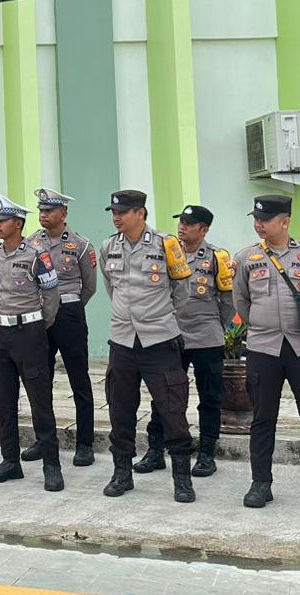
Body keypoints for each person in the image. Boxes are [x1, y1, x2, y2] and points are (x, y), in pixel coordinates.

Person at [232, 195, 300, 515]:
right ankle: (260, 483)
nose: (259, 224)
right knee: (262, 418)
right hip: (263, 349)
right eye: (256, 219)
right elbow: (241, 302)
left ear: (285, 222)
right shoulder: (246, 258)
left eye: (265, 219)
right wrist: (260, 326)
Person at [98, 190, 197, 502]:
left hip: (159, 341)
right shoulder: (108, 247)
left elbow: (182, 291)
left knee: (172, 410)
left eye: (122, 212)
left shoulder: (166, 244)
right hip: (123, 341)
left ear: (140, 213)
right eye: (113, 212)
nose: (116, 217)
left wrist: (159, 317)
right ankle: (122, 474)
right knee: (120, 409)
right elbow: (111, 288)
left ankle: (182, 479)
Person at [135, 205, 231, 478]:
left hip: (206, 337)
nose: (182, 227)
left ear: (204, 230)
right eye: (181, 222)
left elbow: (228, 301)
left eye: (189, 224)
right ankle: (156, 450)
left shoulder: (217, 257)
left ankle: (206, 454)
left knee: (209, 397)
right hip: (171, 335)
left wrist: (216, 326)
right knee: (163, 396)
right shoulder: (167, 252)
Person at [0, 196, 64, 492]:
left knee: (40, 402)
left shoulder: (37, 255)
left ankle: (51, 465)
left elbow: (51, 296)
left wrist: (38, 326)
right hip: (0, 332)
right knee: (4, 400)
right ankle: (10, 462)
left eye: (2, 221)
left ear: (18, 224)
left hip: (28, 332)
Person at [24, 187, 98, 467]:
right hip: (41, 315)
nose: (43, 215)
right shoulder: (31, 243)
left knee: (79, 380)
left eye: (49, 210)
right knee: (39, 381)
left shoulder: (80, 245)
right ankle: (44, 440)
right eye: (41, 210)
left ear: (63, 213)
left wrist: (70, 308)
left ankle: (85, 443)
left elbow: (89, 287)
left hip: (69, 314)